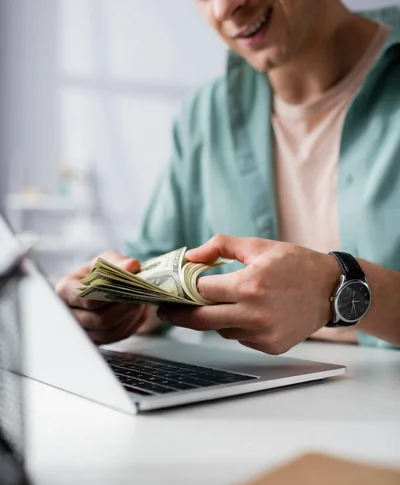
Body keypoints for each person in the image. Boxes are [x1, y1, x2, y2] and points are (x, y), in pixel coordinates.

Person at [56, 1, 400, 355]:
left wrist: (334, 288)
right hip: (243, 392)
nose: (222, 9)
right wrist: (112, 302)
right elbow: (151, 272)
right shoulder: (206, 115)